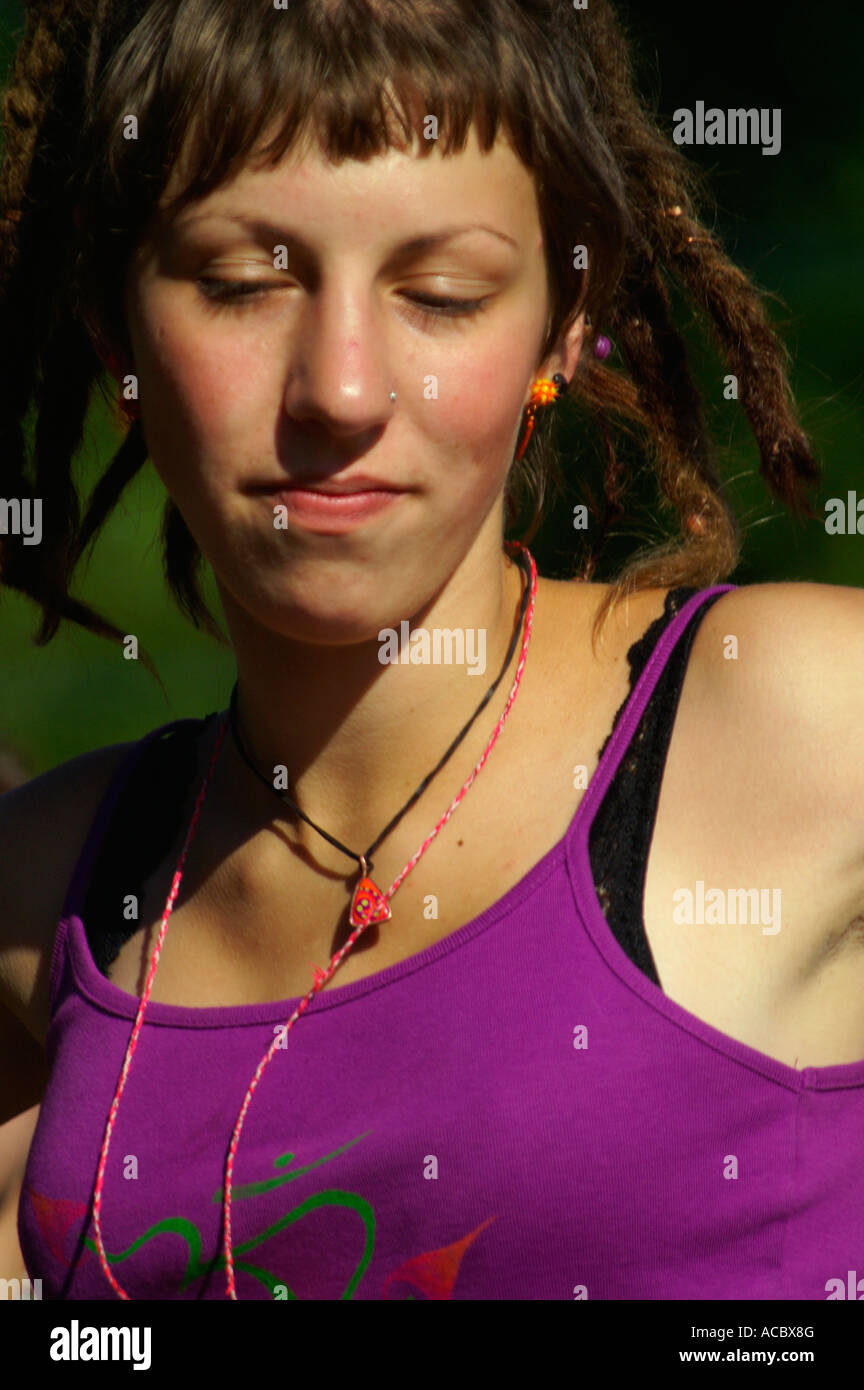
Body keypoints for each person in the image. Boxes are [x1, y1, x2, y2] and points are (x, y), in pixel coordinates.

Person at [1, 0, 862, 1302]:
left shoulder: (797, 721)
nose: (343, 388)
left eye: (441, 294)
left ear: (565, 323)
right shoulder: (50, 891)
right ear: (116, 327)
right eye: (242, 281)